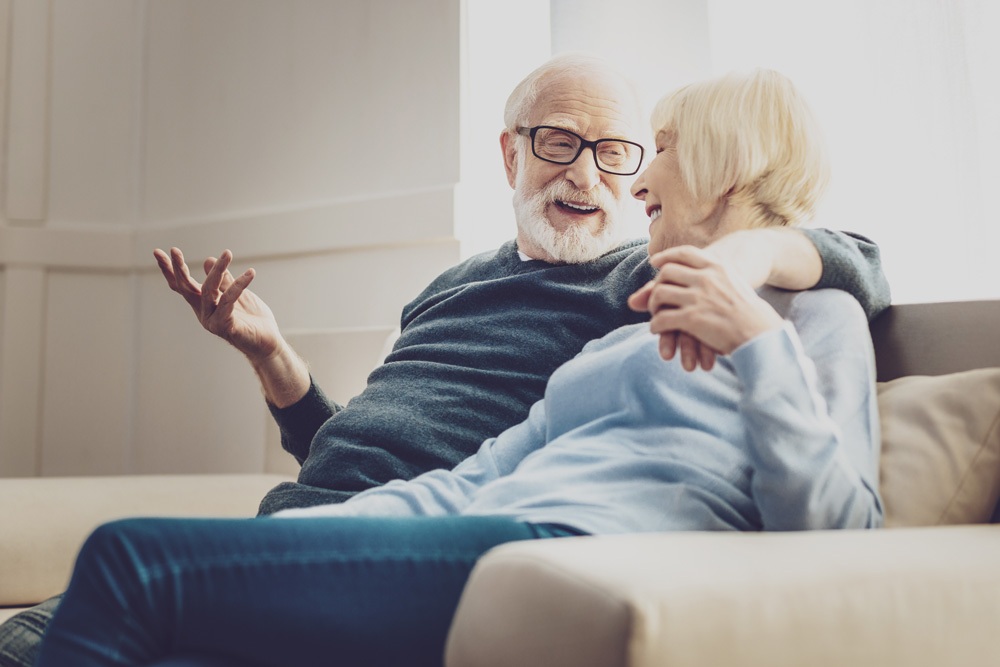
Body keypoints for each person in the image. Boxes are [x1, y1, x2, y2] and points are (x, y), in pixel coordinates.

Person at [0, 54, 889, 667]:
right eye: (561, 143)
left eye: (644, 150)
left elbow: (839, 513)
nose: (617, 175)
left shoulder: (698, 293)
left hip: (548, 554)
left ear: (729, 169)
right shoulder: (569, 317)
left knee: (125, 563)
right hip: (415, 524)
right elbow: (465, 476)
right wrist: (279, 443)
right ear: (510, 152)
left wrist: (753, 290)